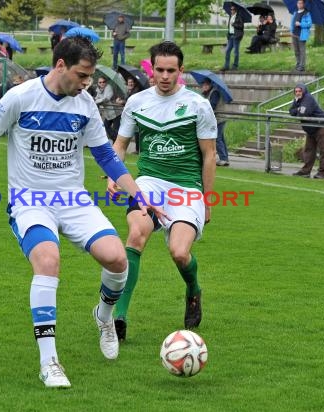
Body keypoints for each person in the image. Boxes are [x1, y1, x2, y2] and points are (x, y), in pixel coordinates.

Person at [0, 36, 166, 389]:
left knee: (117, 260)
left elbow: (106, 157)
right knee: (48, 262)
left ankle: (104, 316)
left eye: (90, 77)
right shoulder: (20, 97)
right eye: (82, 75)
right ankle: (49, 362)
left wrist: (138, 195)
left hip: (73, 200)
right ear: (60, 65)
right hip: (29, 200)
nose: (86, 83)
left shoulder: (85, 105)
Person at [107, 41, 217, 341]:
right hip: (150, 182)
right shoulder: (137, 101)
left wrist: (207, 203)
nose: (165, 76)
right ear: (151, 69)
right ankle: (119, 317)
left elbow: (209, 155)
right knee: (136, 234)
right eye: (160, 70)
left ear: (181, 71)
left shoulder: (198, 105)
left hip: (186, 186)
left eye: (171, 70)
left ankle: (193, 290)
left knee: (180, 253)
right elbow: (120, 144)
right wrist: (113, 173)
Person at [290, 83, 324, 179]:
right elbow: (291, 112)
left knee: (323, 150)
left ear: (304, 91)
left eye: (300, 91)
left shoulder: (308, 98)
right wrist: (298, 108)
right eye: (296, 91)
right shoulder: (297, 100)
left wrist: (298, 110)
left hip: (321, 125)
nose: (298, 93)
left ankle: (322, 172)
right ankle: (306, 171)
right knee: (309, 150)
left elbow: (304, 113)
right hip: (310, 127)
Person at [202, 79, 230, 166]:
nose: (205, 86)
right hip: (218, 118)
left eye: (207, 85)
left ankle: (223, 158)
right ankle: (225, 158)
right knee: (221, 138)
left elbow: (212, 105)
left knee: (217, 138)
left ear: (210, 85)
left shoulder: (214, 92)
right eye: (204, 85)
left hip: (219, 118)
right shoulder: (211, 92)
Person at [94, 76, 119, 141]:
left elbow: (106, 99)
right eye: (100, 82)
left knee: (115, 129)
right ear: (98, 83)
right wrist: (98, 100)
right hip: (108, 113)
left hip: (116, 112)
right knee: (106, 127)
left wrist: (98, 101)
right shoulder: (98, 90)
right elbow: (96, 98)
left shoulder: (109, 87)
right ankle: (115, 140)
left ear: (106, 82)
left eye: (103, 82)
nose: (102, 83)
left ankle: (115, 143)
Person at [222, 3, 245, 71]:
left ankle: (235, 66)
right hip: (231, 36)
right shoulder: (230, 16)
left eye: (233, 9)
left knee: (235, 52)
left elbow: (241, 26)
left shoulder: (239, 17)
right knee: (227, 51)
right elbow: (229, 27)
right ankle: (226, 66)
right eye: (231, 9)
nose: (231, 10)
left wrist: (234, 24)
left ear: (236, 10)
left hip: (236, 36)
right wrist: (228, 35)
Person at [291, 0, 312, 72]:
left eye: (301, 3)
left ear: (303, 4)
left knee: (302, 51)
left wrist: (300, 24)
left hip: (301, 35)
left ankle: (302, 66)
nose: (299, 4)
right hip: (294, 34)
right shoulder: (295, 13)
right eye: (298, 3)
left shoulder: (306, 14)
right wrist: (291, 31)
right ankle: (298, 64)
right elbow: (292, 23)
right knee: (296, 51)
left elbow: (309, 24)